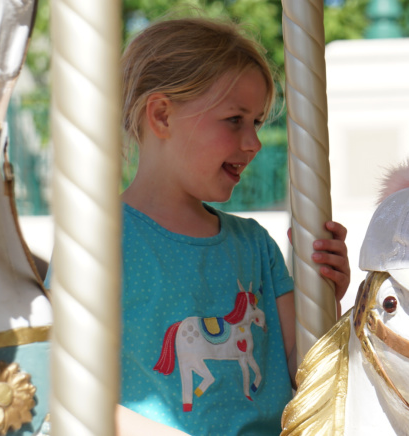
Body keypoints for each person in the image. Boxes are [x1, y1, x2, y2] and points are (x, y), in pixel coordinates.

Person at [114, 15, 351, 436]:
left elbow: (302, 370)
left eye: (257, 122)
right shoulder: (102, 240)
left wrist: (323, 295)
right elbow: (69, 380)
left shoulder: (255, 245)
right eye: (234, 120)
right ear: (163, 116)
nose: (254, 143)